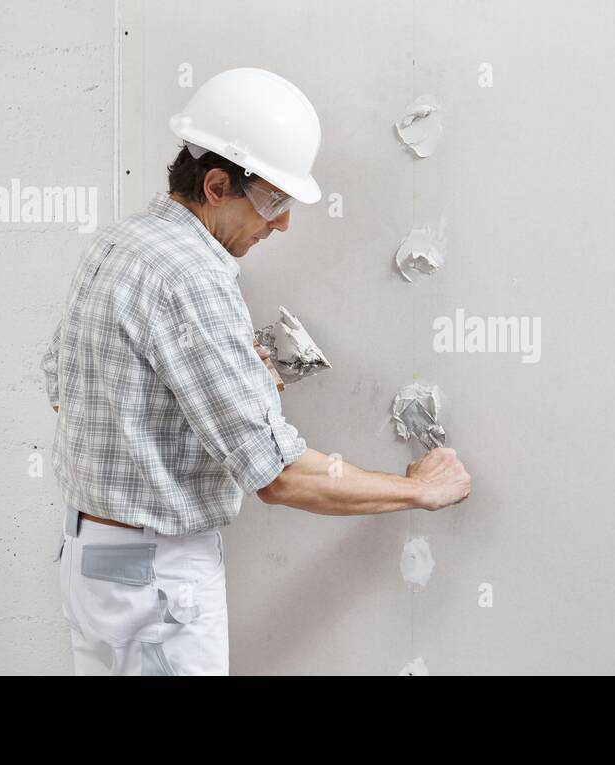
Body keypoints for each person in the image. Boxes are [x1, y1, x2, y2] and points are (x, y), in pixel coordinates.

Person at [39, 68, 471, 675]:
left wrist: (201, 396)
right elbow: (280, 477)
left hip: (93, 563)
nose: (283, 222)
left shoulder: (117, 244)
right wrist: (418, 490)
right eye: (272, 201)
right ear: (216, 185)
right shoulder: (196, 275)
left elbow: (70, 392)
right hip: (159, 581)